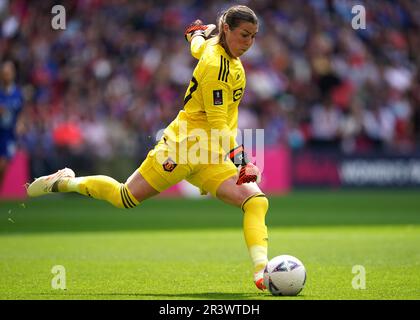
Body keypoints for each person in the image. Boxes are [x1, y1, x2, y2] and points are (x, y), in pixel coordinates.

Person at [27, 5, 269, 291]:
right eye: (244, 35)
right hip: (182, 148)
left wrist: (194, 35)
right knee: (125, 196)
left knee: (256, 201)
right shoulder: (218, 65)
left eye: (253, 37)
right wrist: (242, 162)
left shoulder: (217, 51)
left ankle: (262, 272)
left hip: (211, 155)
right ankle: (64, 182)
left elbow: (198, 46)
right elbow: (217, 124)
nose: (249, 43)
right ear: (226, 29)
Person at [0, 60, 24, 188]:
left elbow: (21, 112)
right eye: (4, 73)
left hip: (9, 135)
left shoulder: (18, 93)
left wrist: (20, 123)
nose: (6, 75)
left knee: (3, 166)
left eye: (8, 73)